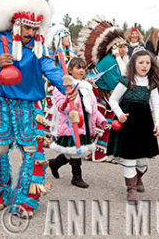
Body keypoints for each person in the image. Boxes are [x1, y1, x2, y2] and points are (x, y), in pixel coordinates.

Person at [0, 0, 74, 219]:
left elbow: (50, 68)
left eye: (34, 27)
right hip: (3, 105)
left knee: (33, 152)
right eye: (26, 27)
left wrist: (67, 85)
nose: (30, 31)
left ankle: (25, 200)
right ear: (16, 23)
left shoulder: (39, 46)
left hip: (31, 108)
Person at [108, 48, 159, 201]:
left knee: (143, 161)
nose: (144, 66)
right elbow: (112, 99)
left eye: (147, 63)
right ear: (133, 64)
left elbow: (157, 105)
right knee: (129, 157)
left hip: (145, 124)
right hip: (127, 124)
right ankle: (130, 188)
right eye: (141, 62)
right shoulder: (126, 81)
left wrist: (158, 123)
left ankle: (139, 177)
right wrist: (119, 114)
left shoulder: (151, 84)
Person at [48, 58, 106, 188]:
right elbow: (59, 106)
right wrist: (69, 102)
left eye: (83, 68)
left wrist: (100, 119)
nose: (82, 71)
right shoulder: (62, 85)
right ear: (69, 70)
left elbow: (92, 107)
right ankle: (76, 177)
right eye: (78, 68)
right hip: (70, 125)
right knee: (76, 151)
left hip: (84, 123)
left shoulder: (86, 87)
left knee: (72, 152)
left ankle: (55, 163)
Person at [78, 16, 129, 162]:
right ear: (114, 48)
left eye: (124, 46)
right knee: (101, 123)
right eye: (121, 46)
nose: (124, 49)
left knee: (106, 122)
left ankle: (97, 152)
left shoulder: (115, 61)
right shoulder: (110, 62)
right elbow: (114, 83)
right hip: (98, 93)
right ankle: (93, 152)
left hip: (105, 94)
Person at [44, 27, 76, 142]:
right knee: (53, 109)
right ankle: (47, 134)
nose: (68, 39)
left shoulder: (70, 54)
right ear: (59, 38)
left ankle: (60, 134)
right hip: (55, 85)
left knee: (63, 110)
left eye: (68, 36)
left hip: (67, 85)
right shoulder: (53, 54)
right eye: (65, 36)